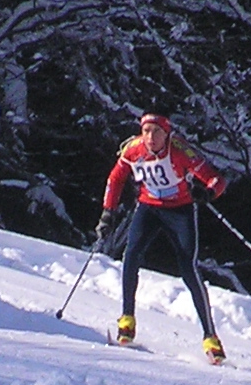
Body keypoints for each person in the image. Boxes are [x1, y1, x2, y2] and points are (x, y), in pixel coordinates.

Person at [94, 112, 228, 364]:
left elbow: (217, 180)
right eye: (146, 131)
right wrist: (107, 213)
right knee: (131, 255)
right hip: (149, 207)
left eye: (157, 132)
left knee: (188, 268)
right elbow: (115, 178)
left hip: (180, 210)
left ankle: (211, 338)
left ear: (167, 134)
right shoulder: (134, 149)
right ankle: (127, 320)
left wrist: (207, 193)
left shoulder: (179, 150)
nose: (151, 137)